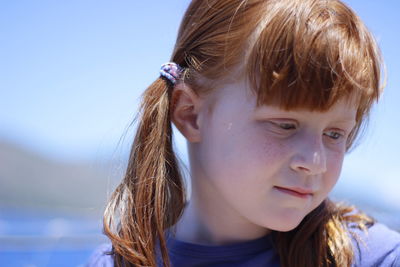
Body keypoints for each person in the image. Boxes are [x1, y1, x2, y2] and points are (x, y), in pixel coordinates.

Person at [86, 0, 400, 266]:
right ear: (191, 115)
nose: (314, 162)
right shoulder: (120, 262)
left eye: (334, 134)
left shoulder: (370, 256)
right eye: (285, 125)